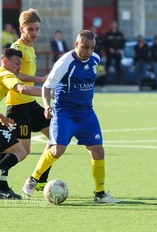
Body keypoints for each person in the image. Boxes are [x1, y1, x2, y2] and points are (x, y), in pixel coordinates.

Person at [22, 30, 120, 204]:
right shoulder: (65, 62)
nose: (88, 51)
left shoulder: (95, 59)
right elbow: (46, 87)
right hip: (65, 112)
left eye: (91, 47)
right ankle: (33, 178)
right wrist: (46, 106)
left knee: (97, 149)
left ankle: (100, 194)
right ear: (76, 45)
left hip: (86, 113)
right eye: (85, 47)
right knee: (57, 150)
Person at [3, 8, 51, 196]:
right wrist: (40, 80)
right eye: (30, 29)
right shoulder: (17, 47)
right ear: (21, 29)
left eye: (37, 29)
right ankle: (2, 181)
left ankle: (38, 180)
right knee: (21, 152)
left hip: (30, 103)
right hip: (17, 106)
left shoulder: (30, 47)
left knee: (57, 136)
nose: (34, 33)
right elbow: (14, 74)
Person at [0, 48, 43, 199]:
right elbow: (22, 88)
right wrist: (48, 92)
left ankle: (2, 188)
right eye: (17, 63)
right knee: (20, 152)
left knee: (6, 153)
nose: (19, 67)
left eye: (21, 64)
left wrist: (3, 118)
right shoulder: (6, 74)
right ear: (5, 61)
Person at [103, 20, 125, 85]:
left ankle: (119, 82)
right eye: (112, 24)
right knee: (107, 67)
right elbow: (104, 43)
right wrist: (109, 48)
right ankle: (105, 81)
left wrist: (119, 49)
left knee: (118, 67)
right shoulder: (108, 34)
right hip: (110, 53)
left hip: (118, 53)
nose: (114, 26)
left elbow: (123, 43)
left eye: (115, 24)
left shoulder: (120, 34)